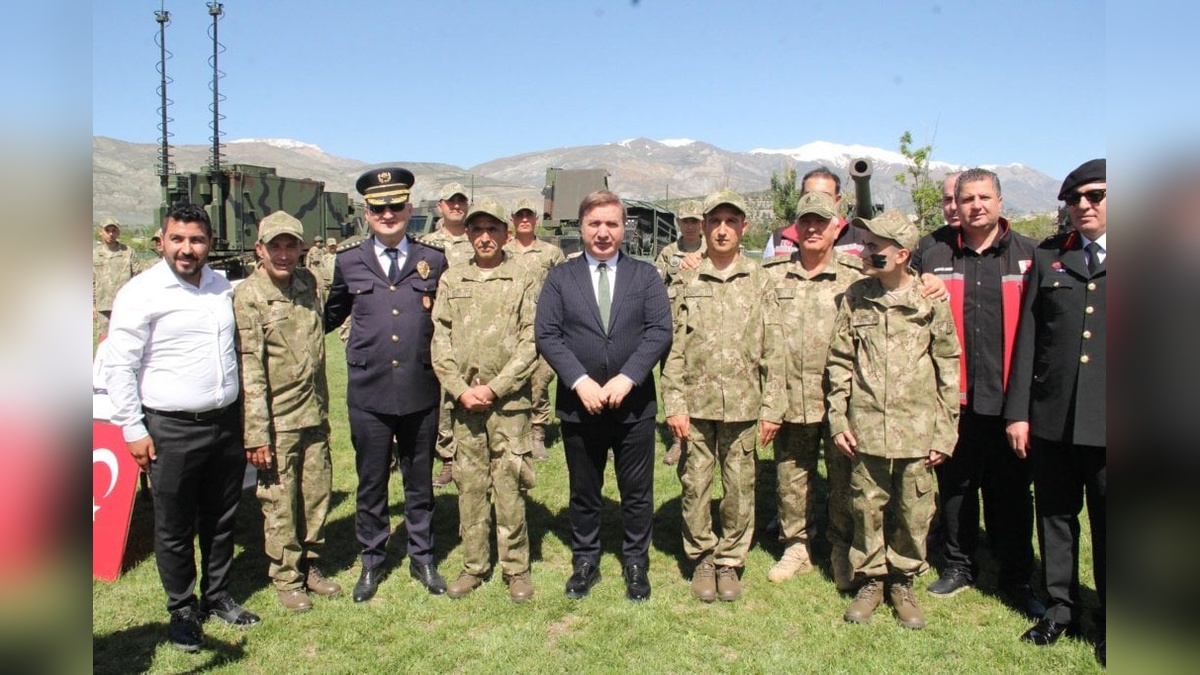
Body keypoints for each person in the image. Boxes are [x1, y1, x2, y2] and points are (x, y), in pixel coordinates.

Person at [101, 203, 259, 652]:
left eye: (196, 240)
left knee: (222, 515)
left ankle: (218, 594)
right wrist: (132, 427)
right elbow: (119, 365)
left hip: (225, 421)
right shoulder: (141, 292)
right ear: (161, 241)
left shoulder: (220, 288)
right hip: (170, 427)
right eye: (178, 239)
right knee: (174, 524)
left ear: (209, 243)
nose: (187, 249)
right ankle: (182, 608)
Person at [912, 168, 1043, 618]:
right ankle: (959, 565)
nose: (976, 206)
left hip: (1012, 401)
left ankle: (1016, 576)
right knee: (955, 490)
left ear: (1001, 201)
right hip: (953, 402)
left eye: (985, 197)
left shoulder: (1030, 256)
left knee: (1010, 493)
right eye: (967, 199)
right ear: (957, 204)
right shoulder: (932, 255)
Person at [534, 190, 672, 602]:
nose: (603, 232)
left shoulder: (645, 276)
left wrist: (629, 376)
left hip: (634, 405)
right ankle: (585, 560)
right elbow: (548, 333)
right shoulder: (562, 277)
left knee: (636, 490)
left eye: (612, 224)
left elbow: (658, 331)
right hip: (581, 405)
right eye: (595, 224)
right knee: (584, 489)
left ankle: (635, 563)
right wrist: (579, 380)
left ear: (624, 229)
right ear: (581, 227)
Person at [827, 209, 960, 630]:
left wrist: (945, 429)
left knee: (913, 510)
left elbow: (948, 365)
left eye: (874, 247)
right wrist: (838, 418)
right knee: (866, 505)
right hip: (865, 425)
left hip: (917, 428)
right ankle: (871, 580)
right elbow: (839, 361)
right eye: (865, 244)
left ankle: (902, 581)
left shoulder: (929, 302)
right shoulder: (856, 296)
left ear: (902, 254)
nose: (864, 251)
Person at [325, 167, 450, 602]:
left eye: (396, 206)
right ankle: (372, 561)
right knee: (371, 482)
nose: (388, 213)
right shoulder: (348, 260)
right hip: (370, 392)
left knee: (420, 482)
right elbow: (328, 315)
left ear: (410, 209)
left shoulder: (433, 259)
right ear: (367, 212)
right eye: (379, 208)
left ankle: (423, 557)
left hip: (419, 388)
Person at [1005, 159, 1106, 666]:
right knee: (1057, 518)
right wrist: (1018, 413)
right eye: (1074, 199)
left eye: (1095, 196)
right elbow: (1029, 340)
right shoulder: (1051, 259)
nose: (1083, 206)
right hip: (1052, 419)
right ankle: (1061, 608)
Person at [661, 189, 783, 603]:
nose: (723, 229)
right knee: (695, 485)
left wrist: (772, 409)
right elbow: (673, 347)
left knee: (739, 486)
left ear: (744, 227)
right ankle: (702, 557)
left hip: (745, 406)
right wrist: (674, 403)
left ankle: (730, 560)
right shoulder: (686, 278)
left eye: (732, 222)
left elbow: (774, 349)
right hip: (695, 406)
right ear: (705, 225)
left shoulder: (760, 279)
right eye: (715, 221)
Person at [432, 197, 540, 602]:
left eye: (492, 229)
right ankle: (474, 565)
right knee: (470, 487)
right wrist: (460, 389)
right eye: (476, 230)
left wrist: (495, 388)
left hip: (509, 406)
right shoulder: (452, 279)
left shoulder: (524, 276)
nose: (484, 237)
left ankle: (516, 569)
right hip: (464, 407)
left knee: (509, 488)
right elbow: (439, 339)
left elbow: (533, 340)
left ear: (506, 233)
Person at [233, 211, 340, 613]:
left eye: (290, 245)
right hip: (277, 421)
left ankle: (310, 562)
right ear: (259, 249)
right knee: (279, 501)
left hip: (314, 412)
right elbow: (251, 370)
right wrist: (257, 433)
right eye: (274, 246)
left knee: (316, 494)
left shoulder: (307, 283)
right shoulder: (249, 296)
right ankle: (286, 576)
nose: (282, 253)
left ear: (302, 248)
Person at [760, 191, 866, 590]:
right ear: (794, 228)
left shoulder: (857, 277)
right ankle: (798, 546)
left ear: (837, 227)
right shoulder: (771, 274)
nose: (812, 228)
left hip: (842, 399)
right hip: (789, 395)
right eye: (805, 221)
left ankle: (841, 546)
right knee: (791, 475)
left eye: (821, 221)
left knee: (843, 478)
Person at [503, 197, 566, 460]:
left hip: (544, 326)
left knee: (540, 380)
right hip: (510, 327)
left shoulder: (551, 253)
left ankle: (538, 433)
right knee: (513, 380)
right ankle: (513, 431)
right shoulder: (504, 251)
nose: (525, 220)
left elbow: (565, 287)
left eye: (529, 215)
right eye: (520, 216)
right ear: (513, 220)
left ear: (536, 220)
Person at [421, 181, 474, 488]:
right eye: (450, 201)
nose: (456, 206)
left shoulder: (478, 239)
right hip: (437, 330)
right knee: (442, 396)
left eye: (461, 201)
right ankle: (447, 458)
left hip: (472, 329)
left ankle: (471, 453)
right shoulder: (426, 245)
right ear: (439, 206)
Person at [655, 198, 707, 466]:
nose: (690, 226)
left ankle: (703, 436)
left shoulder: (712, 251)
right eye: (685, 221)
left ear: (702, 223)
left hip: (706, 330)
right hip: (674, 330)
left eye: (695, 221)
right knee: (673, 379)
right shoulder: (668, 253)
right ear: (678, 223)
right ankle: (677, 442)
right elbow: (655, 287)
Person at [761, 167, 868, 260]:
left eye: (824, 195)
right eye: (809, 195)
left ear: (837, 201)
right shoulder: (780, 238)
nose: (816, 201)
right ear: (800, 198)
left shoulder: (858, 237)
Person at [93, 216, 136, 337]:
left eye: (114, 230)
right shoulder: (94, 255)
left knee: (125, 338)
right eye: (107, 230)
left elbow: (138, 277)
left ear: (118, 232)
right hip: (103, 306)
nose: (111, 234)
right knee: (105, 340)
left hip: (125, 305)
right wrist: (92, 305)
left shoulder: (128, 252)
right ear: (101, 232)